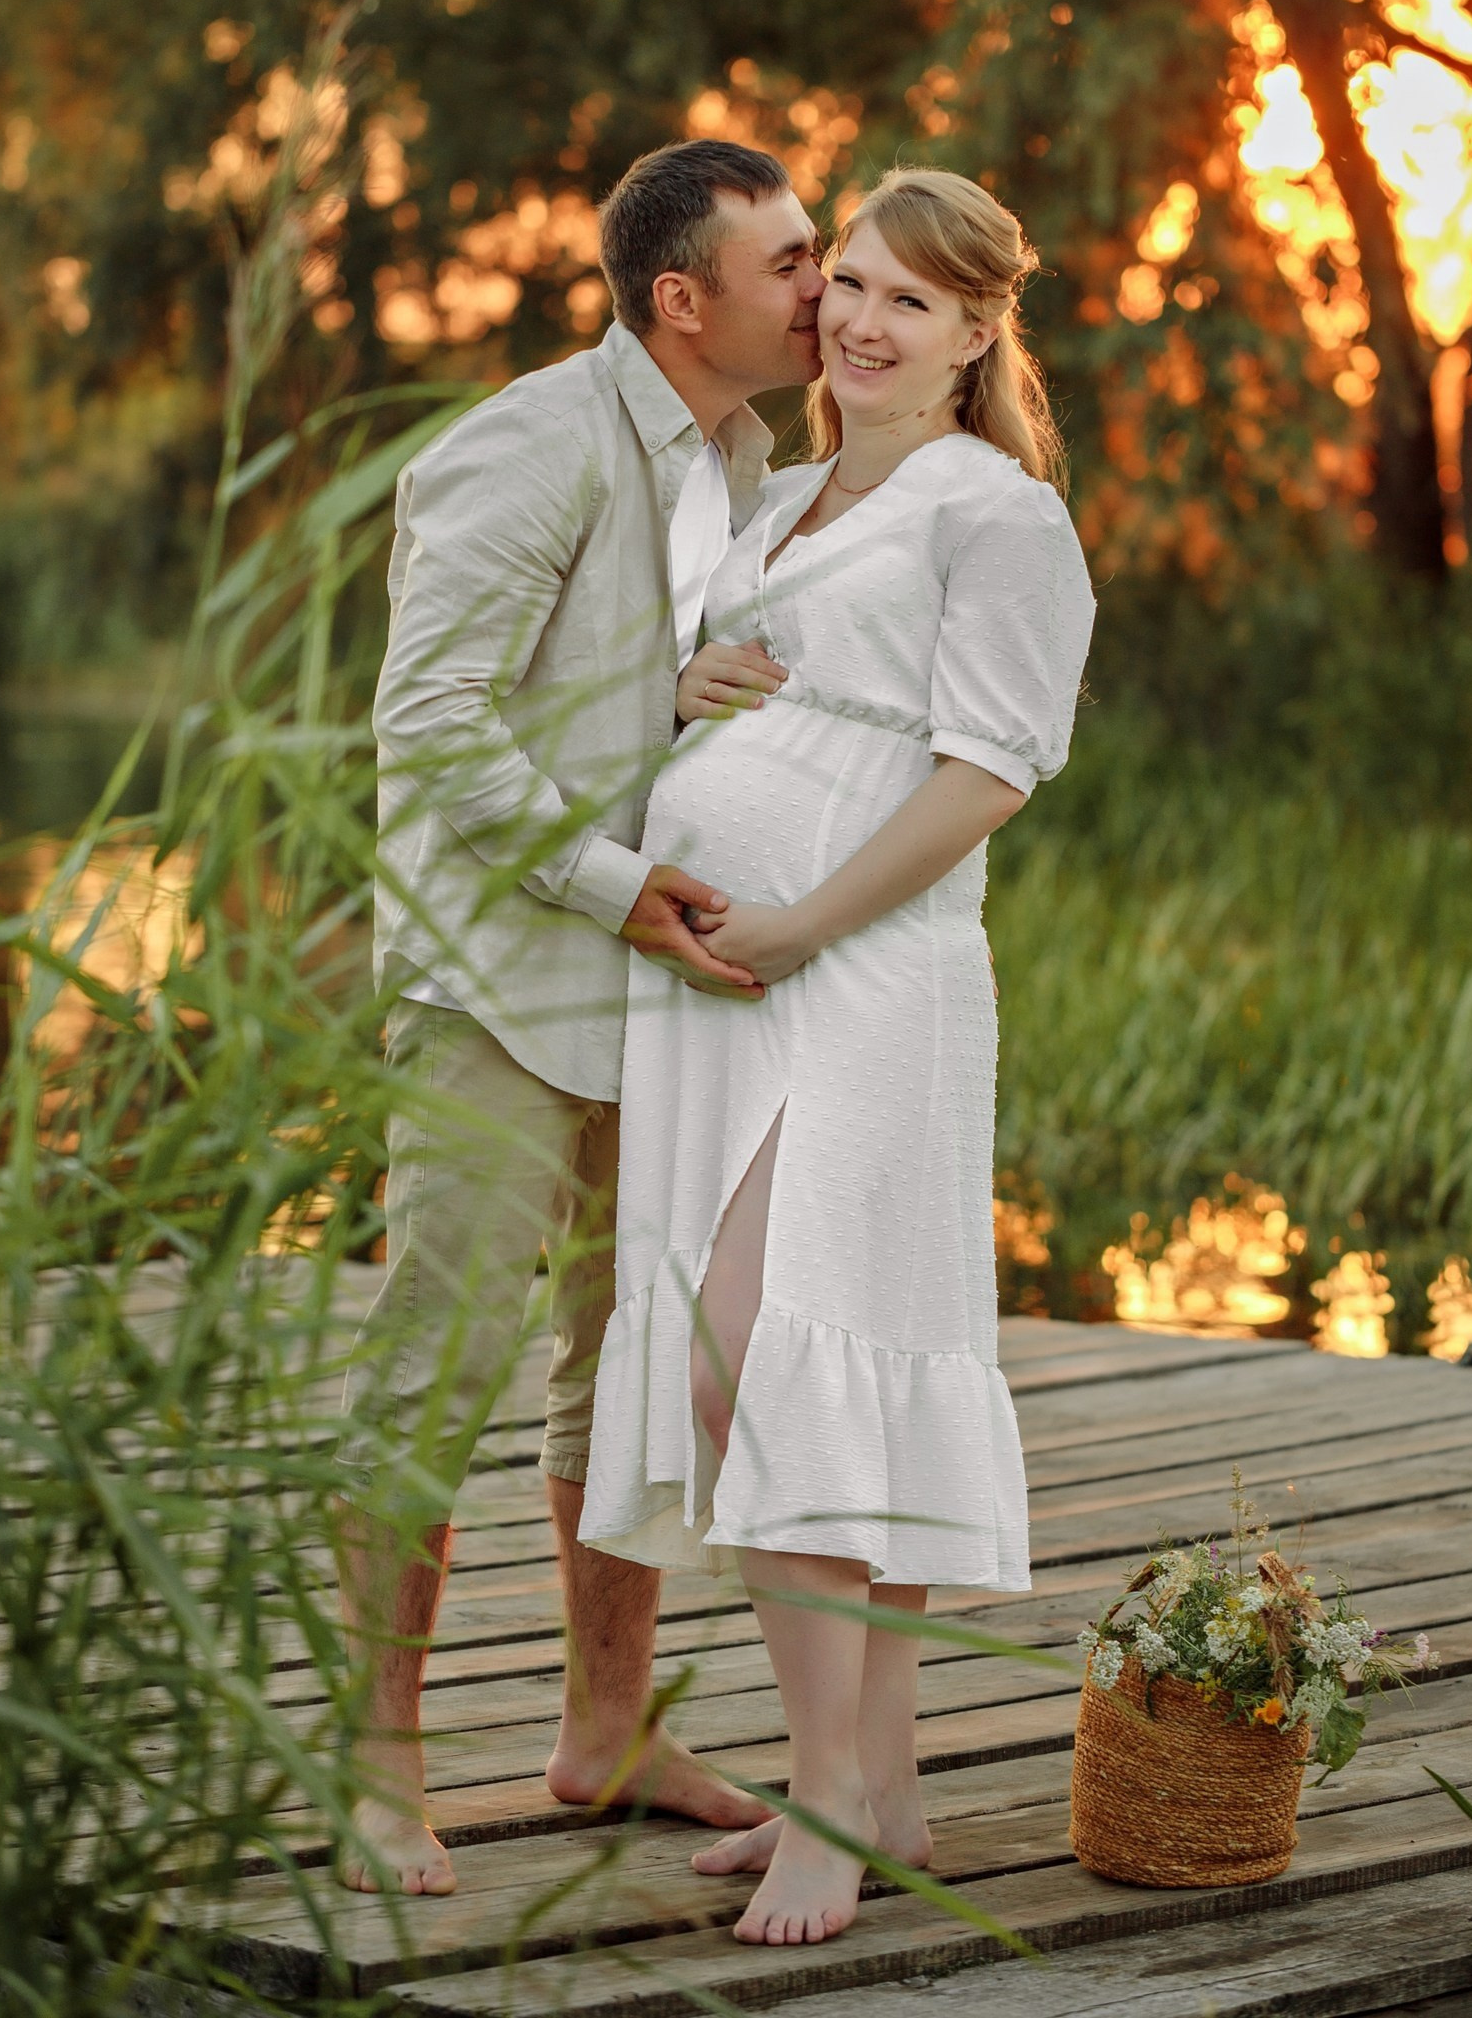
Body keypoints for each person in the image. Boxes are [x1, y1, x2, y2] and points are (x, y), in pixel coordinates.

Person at [580, 167, 1096, 1946]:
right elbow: (723, 685)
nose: (864, 322)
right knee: (804, 1363)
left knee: (763, 1353)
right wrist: (680, 701)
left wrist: (803, 922)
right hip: (718, 996)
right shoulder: (783, 495)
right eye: (851, 287)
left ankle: (824, 1802)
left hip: (868, 982)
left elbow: (992, 769)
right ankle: (882, 1789)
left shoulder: (996, 515)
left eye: (913, 303)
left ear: (974, 337)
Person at [334, 138, 826, 1896]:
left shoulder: (751, 457)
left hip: (662, 993)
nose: (819, 287)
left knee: (619, 1375)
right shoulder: (531, 444)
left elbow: (642, 703)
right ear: (679, 298)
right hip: (502, 980)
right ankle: (371, 1772)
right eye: (789, 261)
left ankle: (603, 1734)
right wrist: (625, 884)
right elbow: (436, 724)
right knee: (437, 1372)